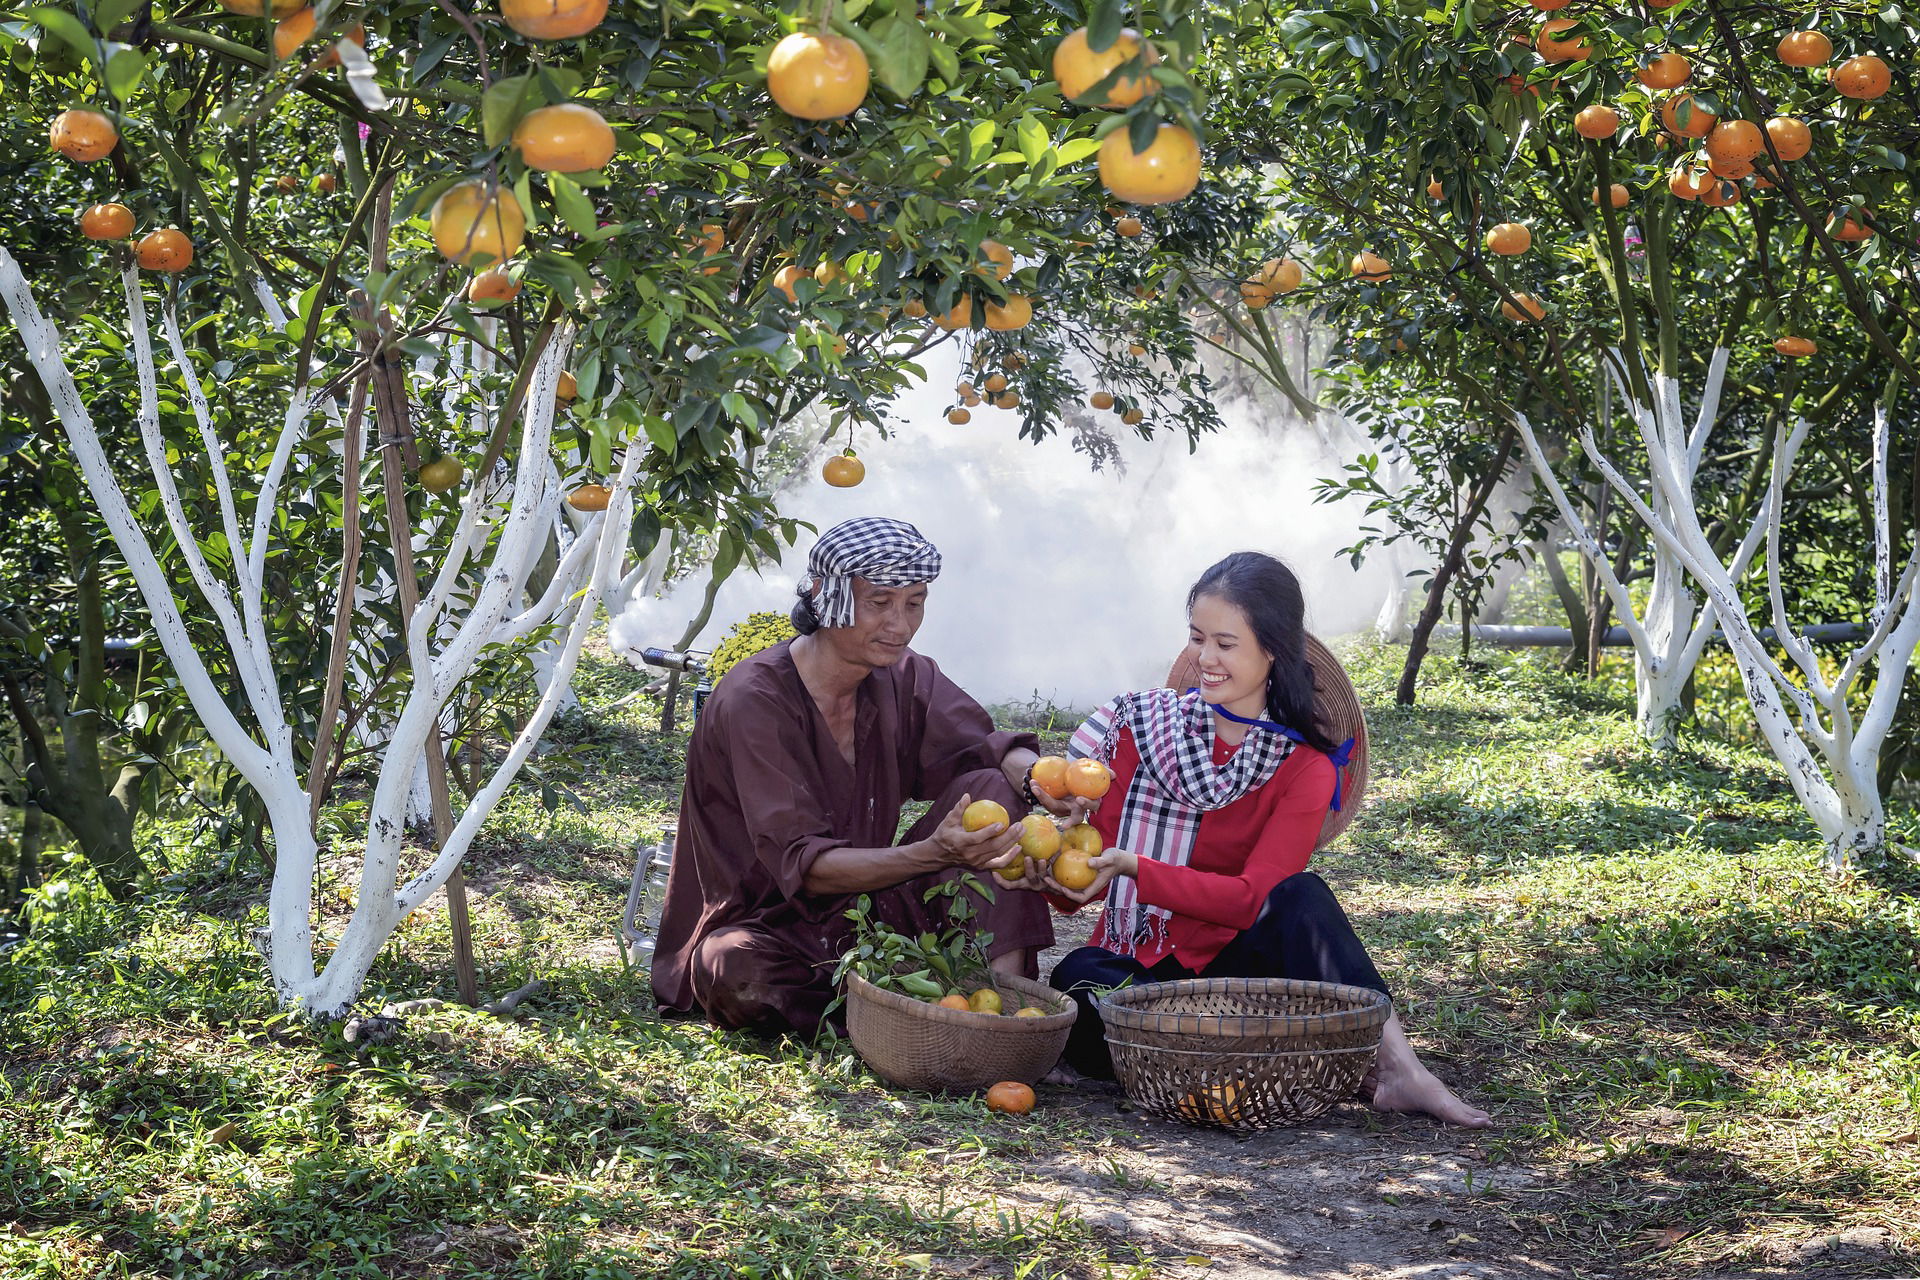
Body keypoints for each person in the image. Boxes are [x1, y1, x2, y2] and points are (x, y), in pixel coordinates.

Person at [1044, 551, 1491, 1128]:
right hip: (1140, 973)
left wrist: (1137, 868)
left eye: (1225, 644)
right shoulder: (1145, 734)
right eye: (1197, 637)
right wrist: (1056, 874)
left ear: (1272, 649)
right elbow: (1082, 881)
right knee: (1078, 981)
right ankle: (1260, 1062)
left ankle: (1399, 1068)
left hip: (1244, 976)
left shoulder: (1306, 768)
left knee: (1303, 896)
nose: (1205, 658)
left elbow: (1254, 898)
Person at [650, 516, 1069, 1035]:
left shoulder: (903, 673)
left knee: (992, 789)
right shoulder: (754, 699)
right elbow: (808, 866)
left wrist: (1039, 780)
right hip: (767, 925)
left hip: (870, 912)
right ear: (828, 597)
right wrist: (934, 853)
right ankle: (900, 1004)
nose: (901, 624)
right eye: (880, 603)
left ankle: (998, 1017)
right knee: (735, 970)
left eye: (914, 603)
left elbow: (981, 748)